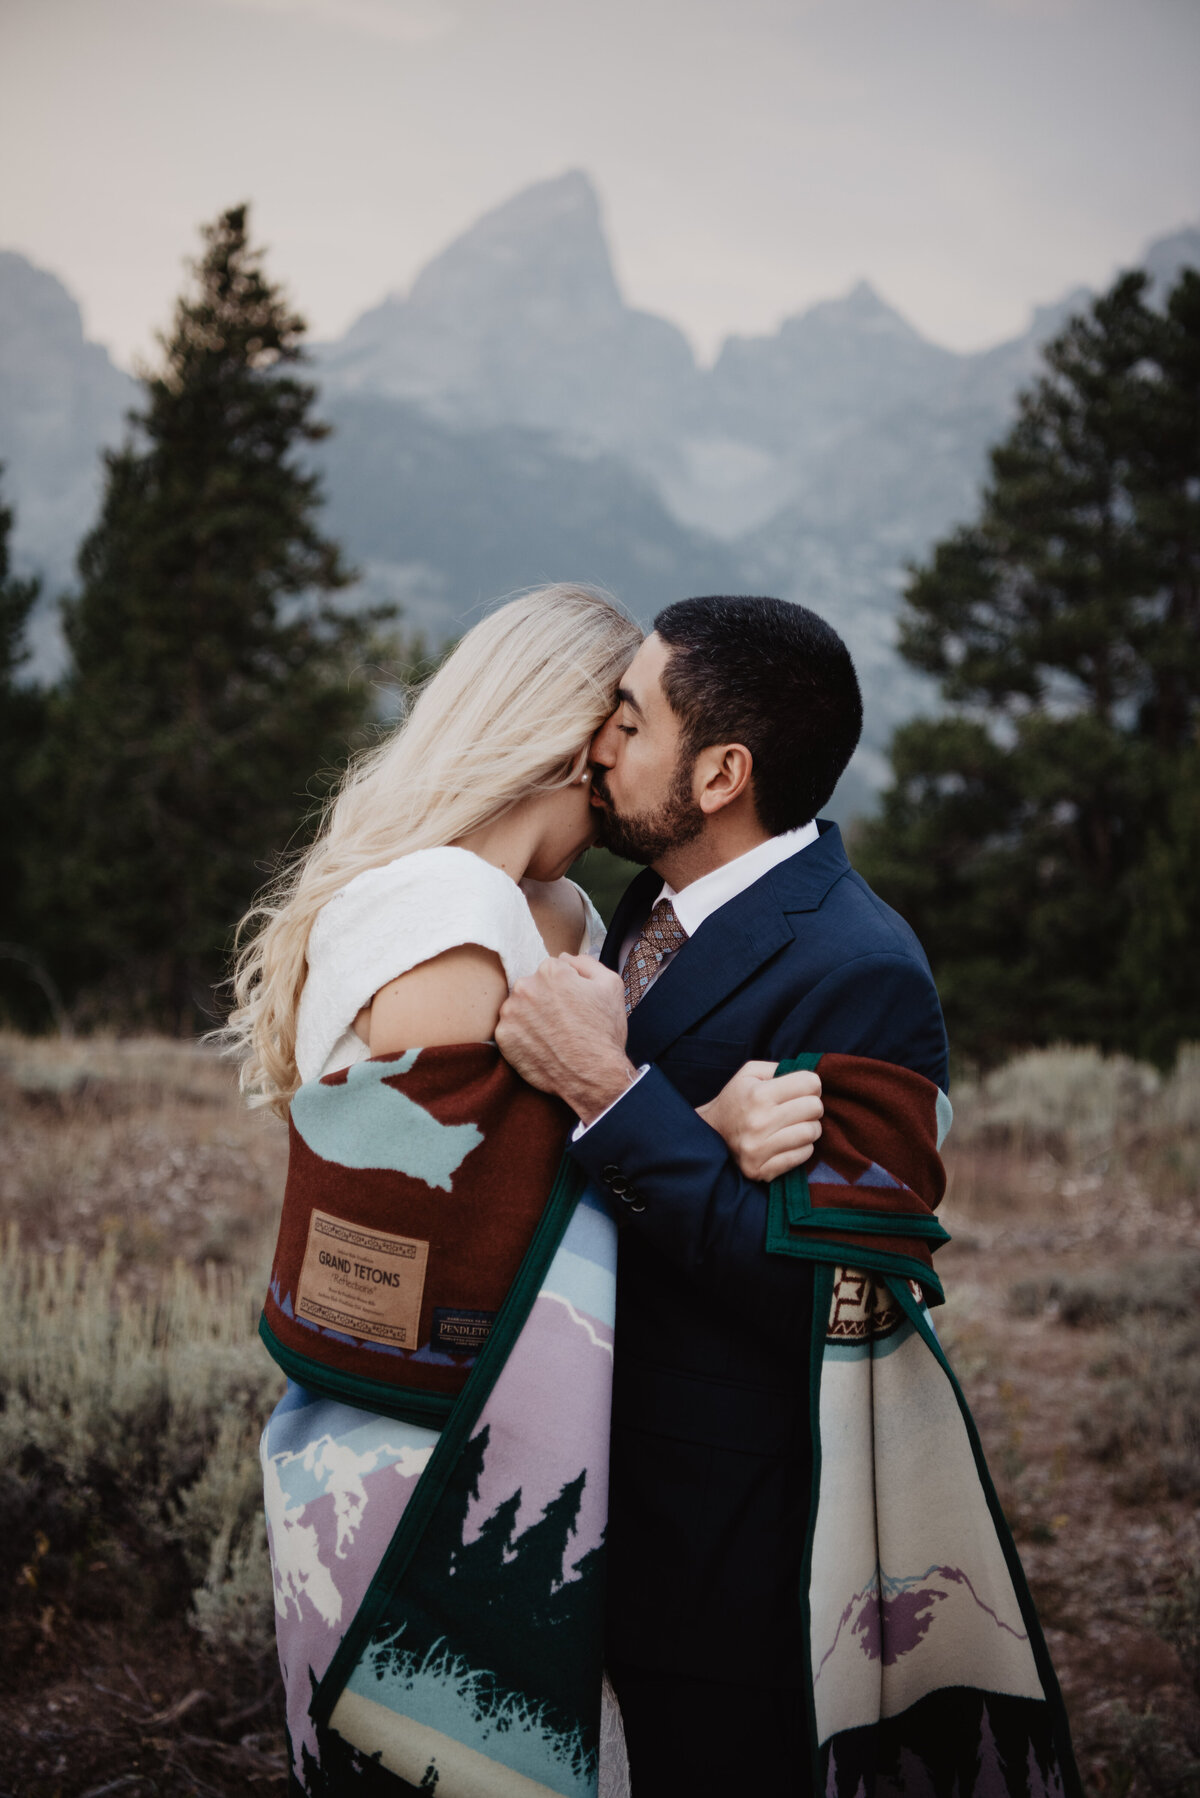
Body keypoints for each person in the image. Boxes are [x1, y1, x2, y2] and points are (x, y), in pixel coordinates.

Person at [224, 585, 821, 1796]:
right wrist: (703, 1120)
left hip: (512, 1421)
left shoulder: (558, 913)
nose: (619, 767)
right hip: (417, 1425)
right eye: (615, 727)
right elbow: (474, 1196)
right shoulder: (442, 913)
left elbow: (565, 1118)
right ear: (560, 732)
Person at [495, 594, 952, 1796]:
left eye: (629, 723)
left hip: (723, 1546)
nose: (597, 745)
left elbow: (833, 1303)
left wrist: (611, 1087)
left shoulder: (864, 971)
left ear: (719, 774)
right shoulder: (645, 905)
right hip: (577, 1490)